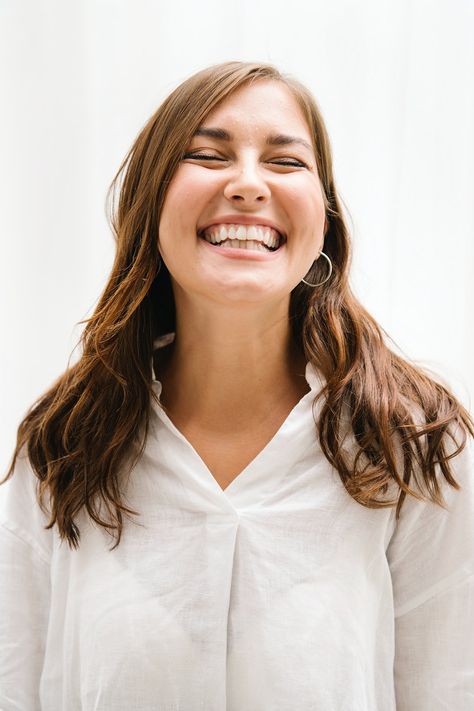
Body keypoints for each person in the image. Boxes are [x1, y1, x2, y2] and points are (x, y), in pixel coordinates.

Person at [1, 60, 473, 711]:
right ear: (150, 203)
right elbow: (16, 681)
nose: (248, 184)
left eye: (285, 163)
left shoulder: (414, 441)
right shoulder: (61, 443)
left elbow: (448, 685)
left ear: (325, 224)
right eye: (207, 154)